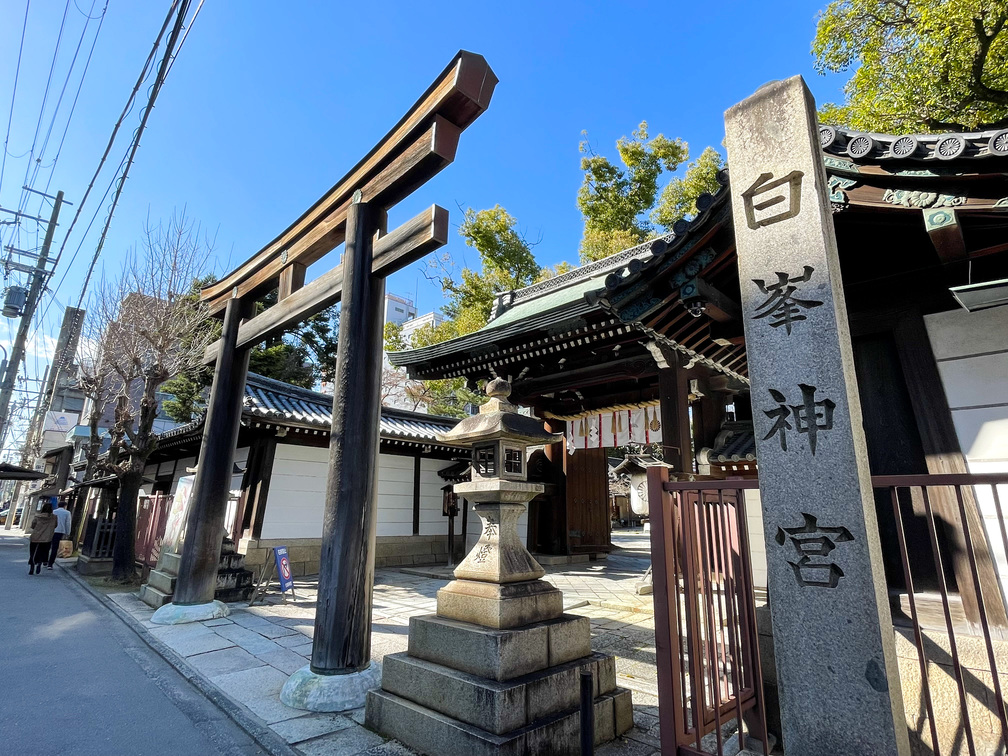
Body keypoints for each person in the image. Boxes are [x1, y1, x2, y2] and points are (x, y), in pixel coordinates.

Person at [28, 502, 56, 575]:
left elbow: (33, 525)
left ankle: (32, 566)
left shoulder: (37, 516)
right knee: (43, 552)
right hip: (47, 538)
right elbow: (55, 525)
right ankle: (40, 563)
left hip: (36, 537)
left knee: (33, 552)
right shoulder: (54, 517)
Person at [48, 499, 72, 569]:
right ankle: (50, 563)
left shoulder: (54, 512)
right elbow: (68, 523)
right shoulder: (67, 513)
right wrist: (68, 532)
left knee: (48, 546)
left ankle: (45, 561)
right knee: (55, 548)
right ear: (65, 506)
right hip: (60, 531)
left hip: (51, 531)